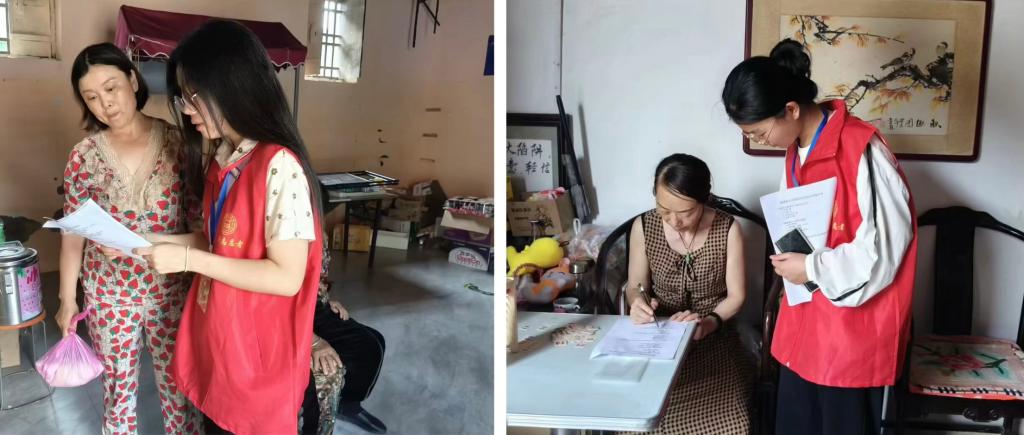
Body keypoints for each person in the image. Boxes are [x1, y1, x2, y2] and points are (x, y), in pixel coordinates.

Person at [134, 19, 325, 433]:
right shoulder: (225, 160)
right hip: (224, 342)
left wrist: (188, 260)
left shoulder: (278, 165)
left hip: (257, 358)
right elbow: (219, 242)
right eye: (183, 97)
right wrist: (145, 240)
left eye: (193, 96)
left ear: (232, 86)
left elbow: (286, 277)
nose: (186, 109)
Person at [721, 39, 917, 435]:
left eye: (759, 132)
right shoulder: (796, 150)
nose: (758, 141)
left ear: (791, 109)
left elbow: (884, 250)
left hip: (852, 333)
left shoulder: (862, 149)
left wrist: (811, 266)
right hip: (807, 323)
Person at [56, 42, 201, 434]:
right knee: (117, 394)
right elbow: (73, 234)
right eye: (91, 97)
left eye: (111, 87)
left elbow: (200, 228)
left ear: (133, 81)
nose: (105, 103)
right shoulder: (84, 156)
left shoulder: (178, 144)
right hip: (109, 294)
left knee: (181, 390)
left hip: (171, 291)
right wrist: (68, 300)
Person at [623, 153, 753, 434]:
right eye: (664, 210)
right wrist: (638, 303)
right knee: (640, 419)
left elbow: (737, 296)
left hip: (712, 337)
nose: (674, 221)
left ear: (704, 199)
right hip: (659, 335)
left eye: (685, 213)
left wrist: (708, 324)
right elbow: (634, 285)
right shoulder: (644, 227)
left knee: (728, 423)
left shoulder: (727, 228)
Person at [301, 246, 387, 434]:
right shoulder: (286, 232)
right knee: (360, 350)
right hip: (294, 314)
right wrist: (313, 341)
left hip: (312, 305)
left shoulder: (316, 229)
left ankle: (348, 404)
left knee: (375, 340)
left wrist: (325, 299)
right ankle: (337, 405)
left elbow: (314, 275)